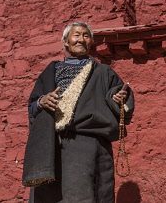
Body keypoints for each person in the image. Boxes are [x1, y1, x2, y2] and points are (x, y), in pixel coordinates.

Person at [23, 22, 134, 203]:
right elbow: (32, 106)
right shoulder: (51, 71)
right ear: (65, 41)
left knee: (83, 195)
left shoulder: (103, 72)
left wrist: (120, 98)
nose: (81, 40)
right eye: (76, 35)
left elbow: (121, 97)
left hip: (88, 145)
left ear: (90, 41)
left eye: (85, 35)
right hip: (50, 146)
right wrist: (42, 101)